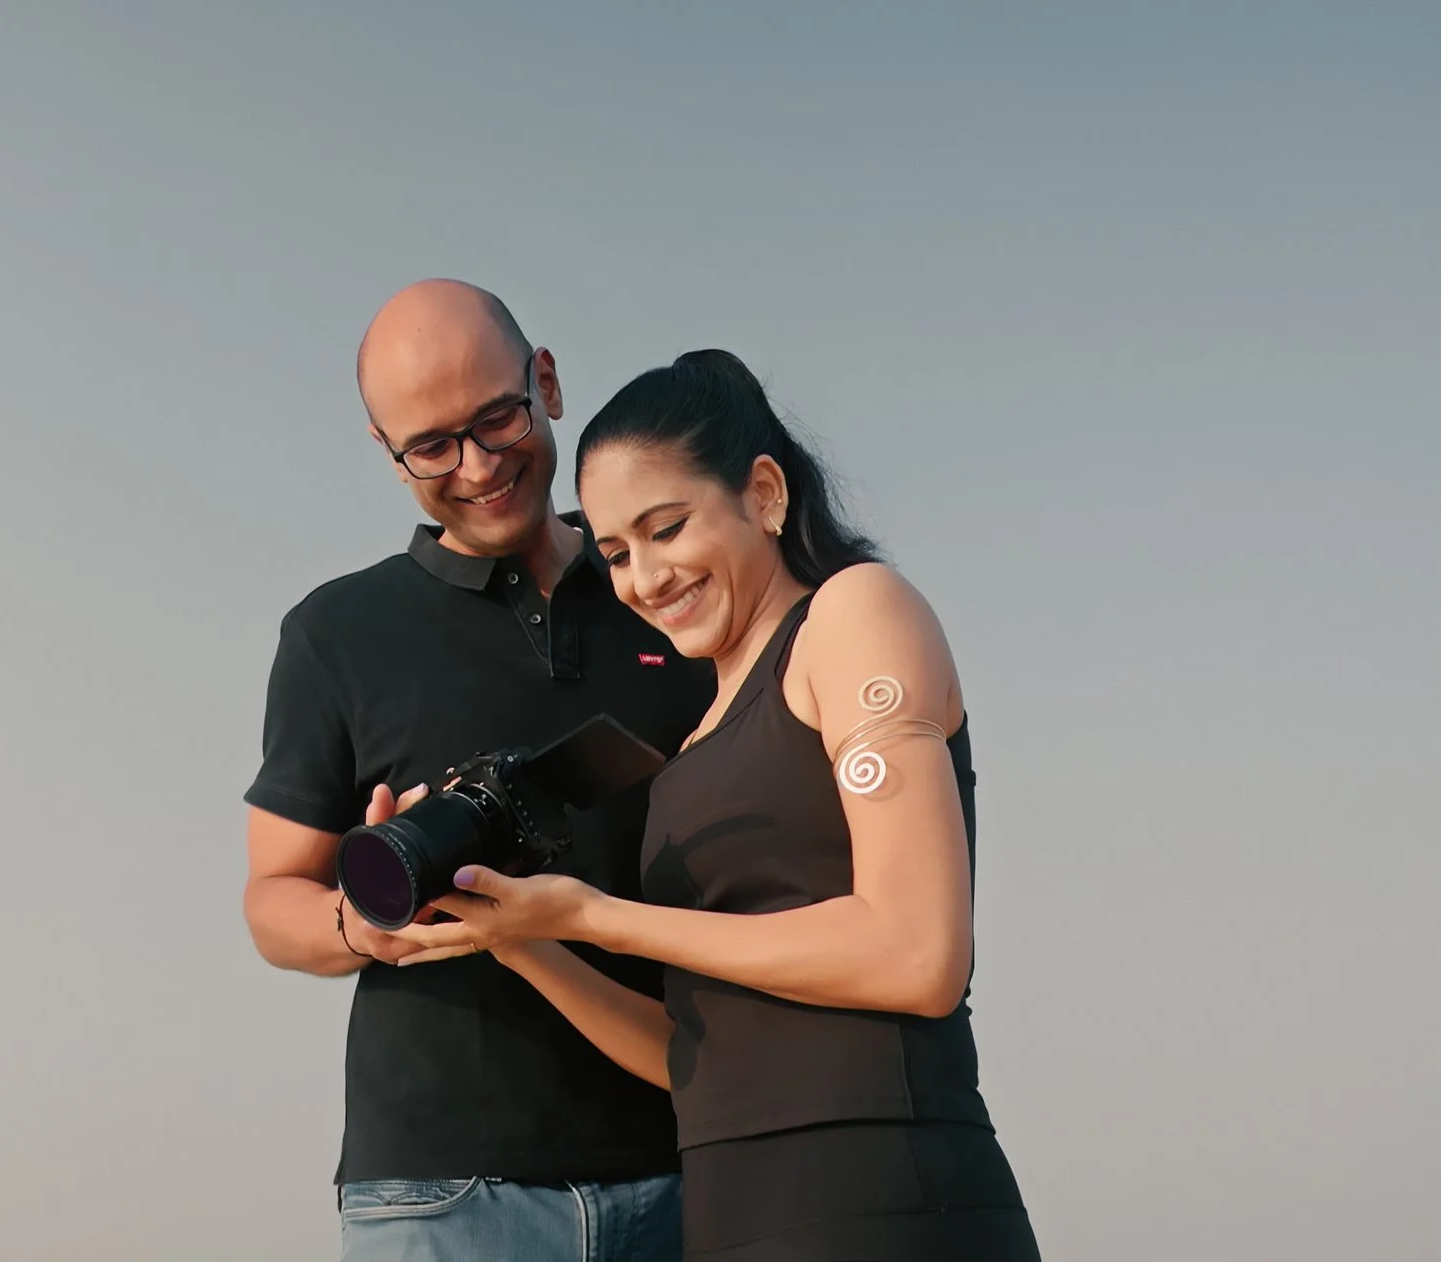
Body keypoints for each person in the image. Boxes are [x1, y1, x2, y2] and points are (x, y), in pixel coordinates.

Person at [387, 349, 1041, 1260]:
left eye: (667, 528)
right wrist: (523, 939)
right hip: (735, 1216)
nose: (643, 578)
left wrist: (607, 918)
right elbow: (689, 1056)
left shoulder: (854, 617)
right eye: (615, 552)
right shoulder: (694, 745)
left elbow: (917, 951)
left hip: (890, 1198)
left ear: (764, 494)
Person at [240, 280, 716, 1262]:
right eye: (431, 446)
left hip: (700, 1155)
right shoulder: (335, 634)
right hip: (444, 1193)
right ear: (386, 450)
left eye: (496, 418)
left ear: (544, 380)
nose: (477, 466)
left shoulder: (672, 580)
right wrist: (369, 923)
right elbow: (270, 898)